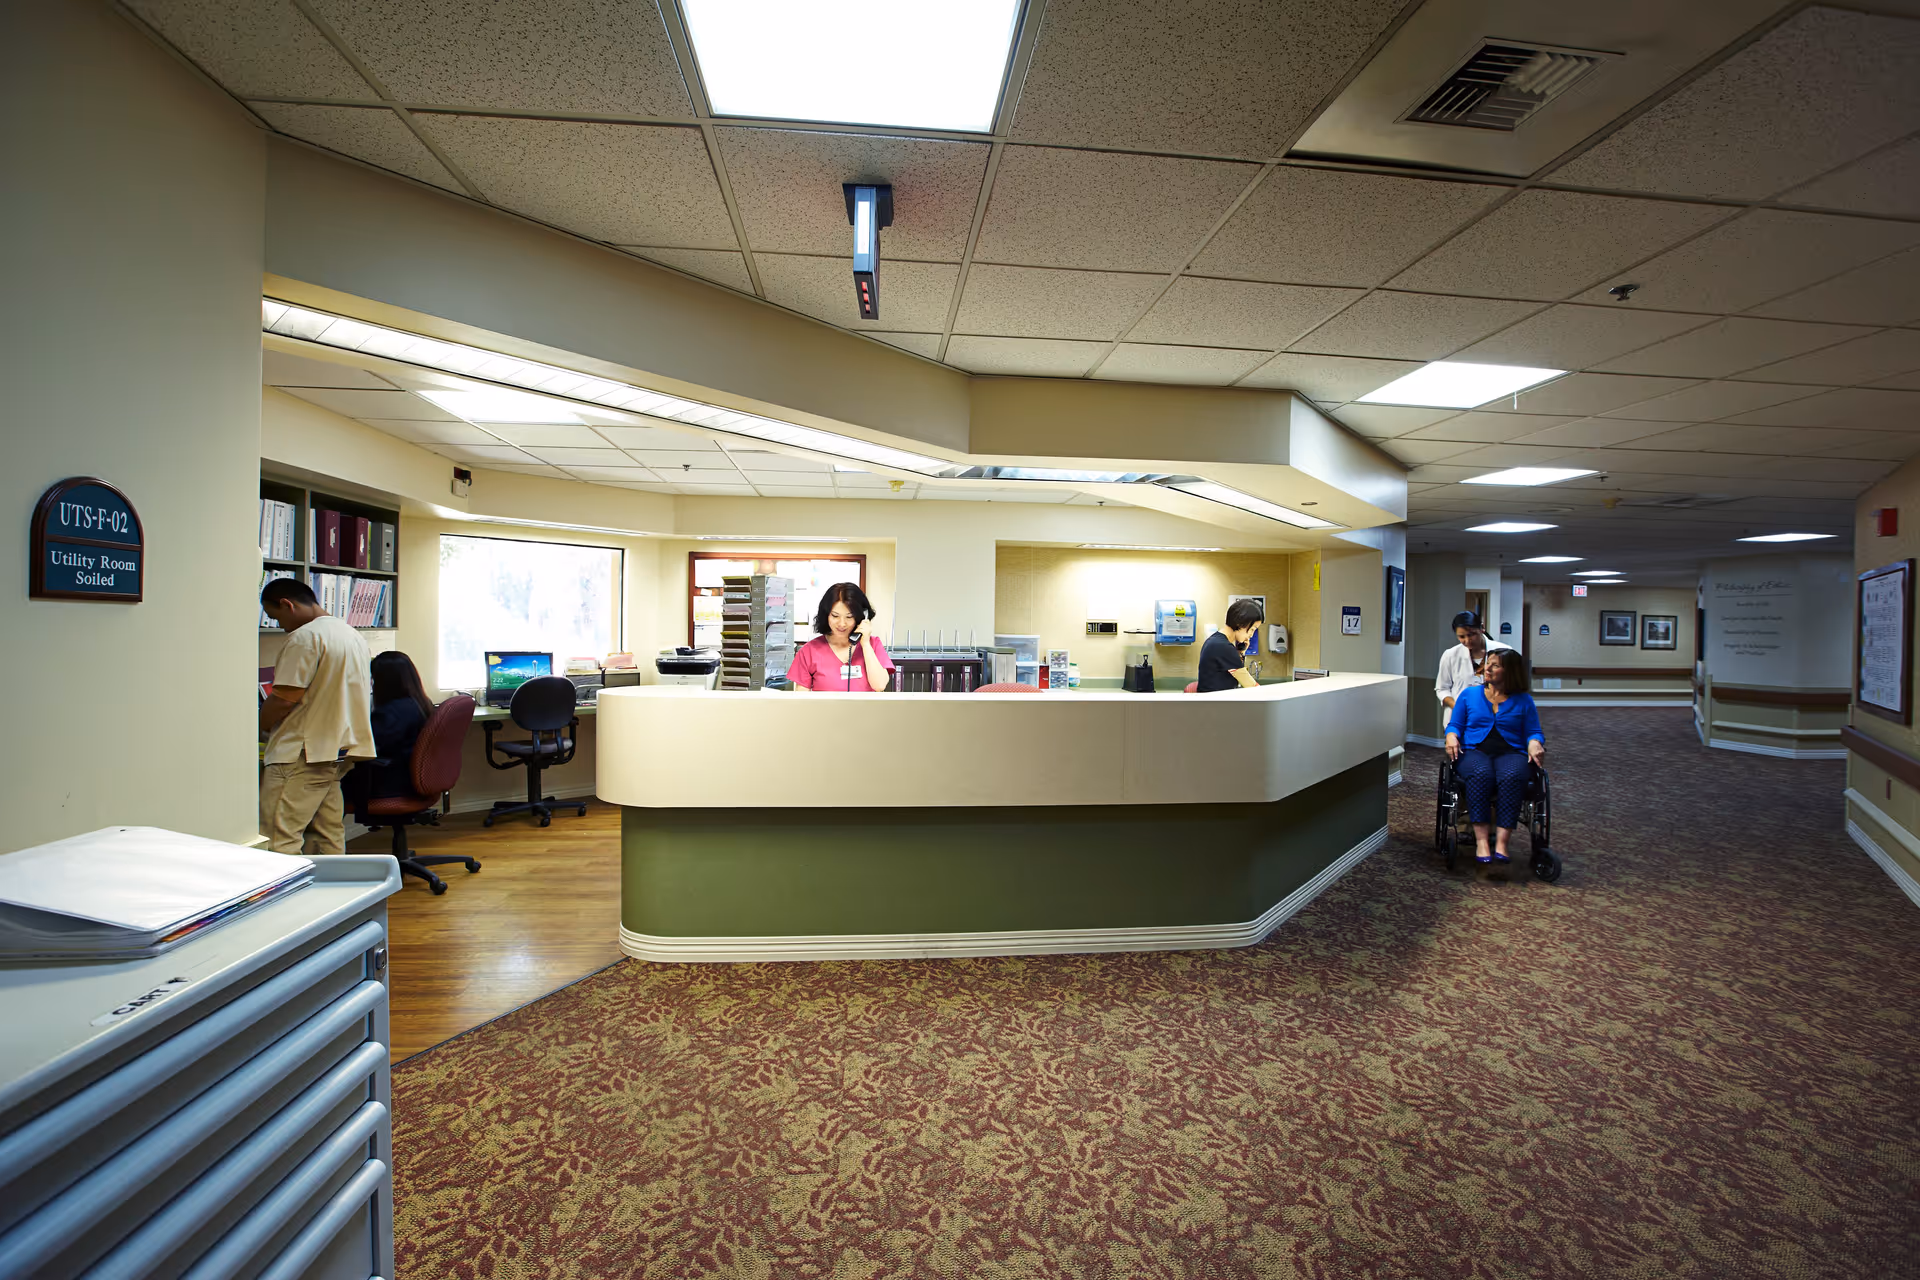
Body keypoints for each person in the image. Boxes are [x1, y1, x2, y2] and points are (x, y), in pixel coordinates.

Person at [259, 578, 375, 855]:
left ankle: (284, 899)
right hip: (336, 752)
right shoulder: (351, 635)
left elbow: (285, 699)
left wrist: (259, 726)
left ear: (287, 604)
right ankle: (337, 897)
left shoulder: (304, 637)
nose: (281, 625)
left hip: (300, 754)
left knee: (278, 838)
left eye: (277, 617)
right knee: (326, 836)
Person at [1445, 649, 1545, 865]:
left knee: (1511, 776)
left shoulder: (1524, 701)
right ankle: (1481, 842)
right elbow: (1455, 724)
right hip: (1474, 750)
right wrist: (1451, 736)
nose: (1487, 669)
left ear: (1510, 672)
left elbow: (1534, 731)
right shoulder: (1469, 695)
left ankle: (1501, 843)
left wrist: (1535, 742)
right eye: (1487, 664)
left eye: (1495, 665)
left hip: (1511, 752)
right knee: (1481, 774)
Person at [788, 582, 895, 692]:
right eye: (835, 616)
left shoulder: (873, 645)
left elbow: (880, 686)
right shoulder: (808, 651)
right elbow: (801, 701)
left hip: (866, 710)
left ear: (861, 616)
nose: (842, 624)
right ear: (826, 615)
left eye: (849, 617)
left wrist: (866, 645)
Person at [368, 651, 436, 798]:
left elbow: (371, 745)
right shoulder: (422, 702)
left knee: (331, 779)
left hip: (393, 782)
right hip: (415, 778)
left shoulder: (392, 711)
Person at [1435, 610, 1514, 712]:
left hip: (1496, 715)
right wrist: (1458, 707)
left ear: (1482, 628)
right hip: (1460, 720)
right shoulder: (1450, 655)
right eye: (1462, 637)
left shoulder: (1505, 651)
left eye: (1472, 634)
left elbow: (1513, 684)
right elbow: (1442, 689)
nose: (1467, 641)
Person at [1196, 598, 1265, 692]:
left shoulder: (1216, 641)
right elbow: (1251, 685)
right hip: (1215, 704)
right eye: (1252, 629)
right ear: (1241, 623)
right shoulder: (1223, 647)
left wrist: (1241, 652)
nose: (1251, 635)